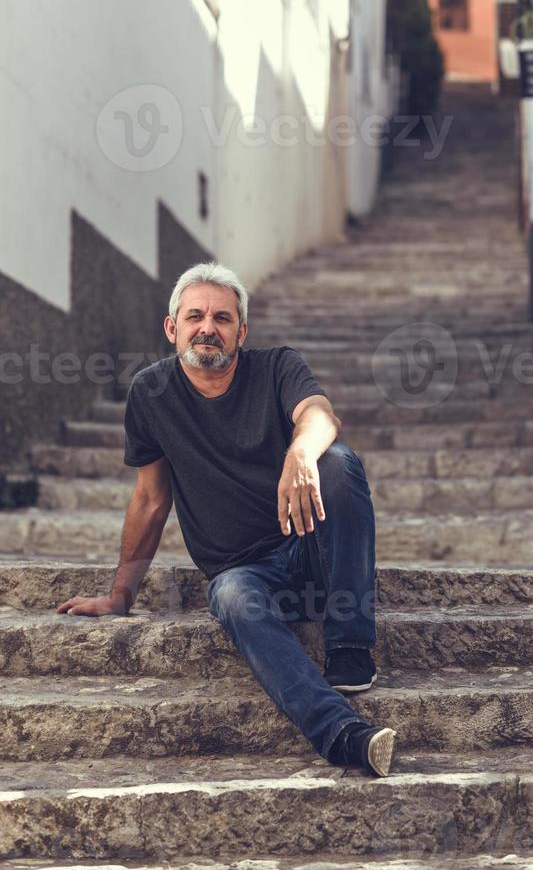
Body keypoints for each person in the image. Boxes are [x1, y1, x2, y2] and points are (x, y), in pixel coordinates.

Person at [56, 261, 397, 777]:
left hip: (314, 553)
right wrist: (120, 595)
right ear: (172, 328)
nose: (207, 327)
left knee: (337, 461)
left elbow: (319, 414)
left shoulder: (277, 366)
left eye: (222, 317)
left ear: (243, 330)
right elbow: (151, 498)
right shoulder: (151, 394)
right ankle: (343, 736)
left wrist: (300, 455)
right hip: (244, 571)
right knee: (232, 595)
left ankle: (349, 643)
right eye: (194, 316)